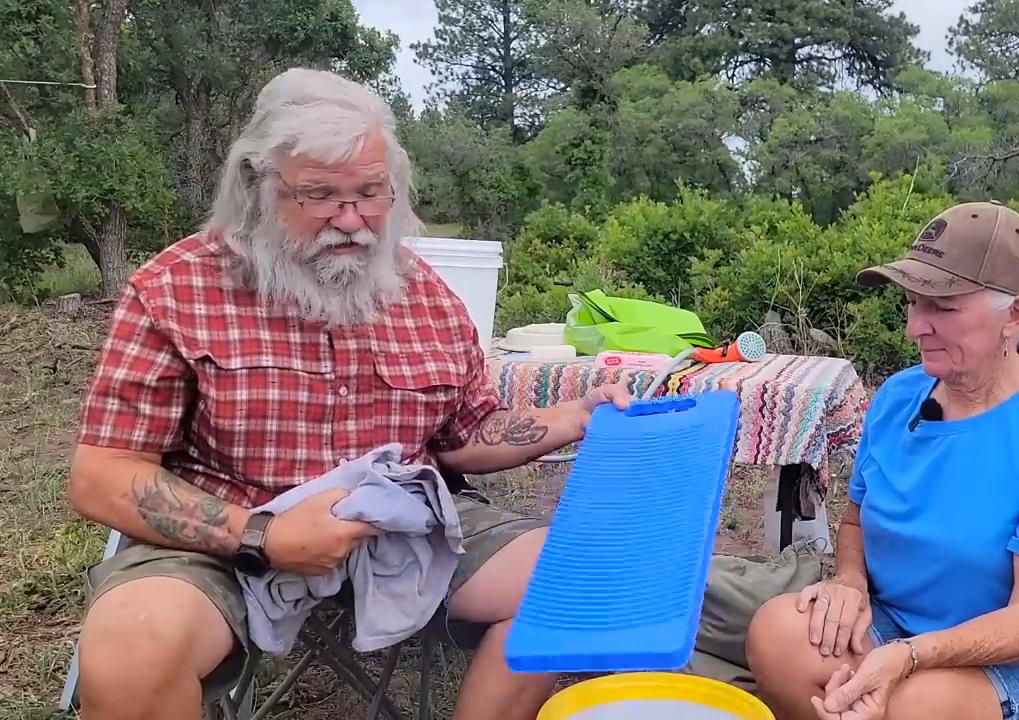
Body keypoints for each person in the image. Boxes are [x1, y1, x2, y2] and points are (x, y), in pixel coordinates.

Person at [67, 67, 629, 720]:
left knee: (575, 586)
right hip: (226, 533)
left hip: (404, 526)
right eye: (321, 196)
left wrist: (566, 418)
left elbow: (462, 436)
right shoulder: (174, 290)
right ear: (257, 188)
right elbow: (102, 473)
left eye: (370, 193)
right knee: (129, 652)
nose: (353, 220)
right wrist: (262, 535)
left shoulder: (426, 297)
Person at [744, 202, 1019, 720]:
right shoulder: (900, 395)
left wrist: (908, 657)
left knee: (915, 706)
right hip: (902, 622)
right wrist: (851, 582)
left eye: (942, 308)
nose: (914, 327)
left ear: (1014, 315)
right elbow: (857, 517)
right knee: (776, 633)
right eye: (912, 302)